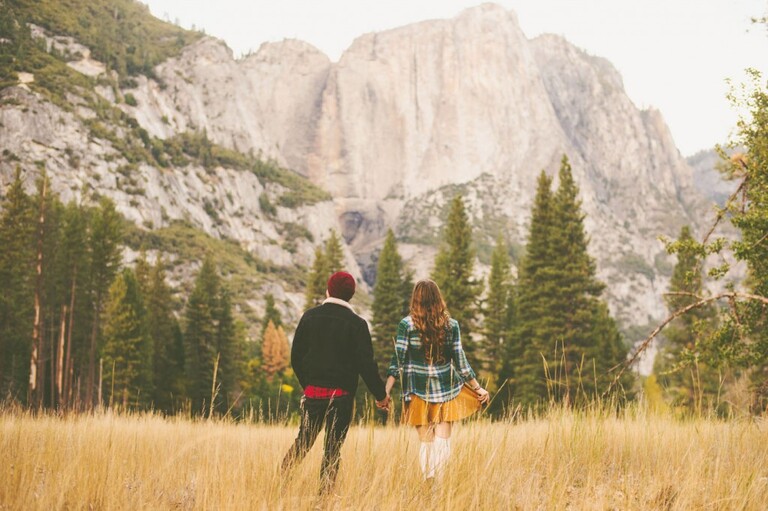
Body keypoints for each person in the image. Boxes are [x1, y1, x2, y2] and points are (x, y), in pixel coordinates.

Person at [281, 271, 390, 494]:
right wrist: (381, 396)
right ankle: (324, 499)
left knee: (303, 442)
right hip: (341, 398)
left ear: (328, 290)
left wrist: (308, 385)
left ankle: (280, 483)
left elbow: (296, 357)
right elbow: (366, 366)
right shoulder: (357, 324)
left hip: (313, 394)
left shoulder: (309, 317)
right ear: (350, 295)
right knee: (332, 450)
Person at [385, 279, 489, 482]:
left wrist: (386, 392)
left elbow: (397, 362)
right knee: (443, 440)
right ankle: (438, 485)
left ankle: (428, 479)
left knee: (426, 442)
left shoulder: (406, 325)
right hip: (446, 390)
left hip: (416, 390)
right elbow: (461, 361)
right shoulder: (451, 325)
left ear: (416, 299)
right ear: (438, 299)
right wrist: (478, 388)